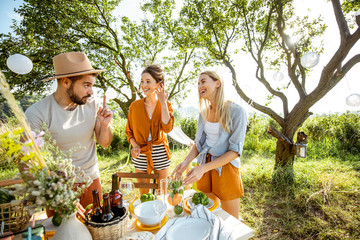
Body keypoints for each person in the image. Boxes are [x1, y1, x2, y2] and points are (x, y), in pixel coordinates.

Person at [25, 52, 113, 214]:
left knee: (98, 231)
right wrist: (60, 194)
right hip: (57, 189)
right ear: (66, 82)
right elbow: (26, 162)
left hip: (92, 181)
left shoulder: (92, 104)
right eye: (86, 85)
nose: (91, 92)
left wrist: (105, 125)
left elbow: (105, 143)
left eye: (92, 85)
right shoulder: (37, 113)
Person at [171, 71, 247, 219]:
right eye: (198, 83)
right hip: (204, 166)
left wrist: (203, 168)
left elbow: (235, 151)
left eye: (203, 81)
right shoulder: (204, 113)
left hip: (225, 168)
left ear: (217, 83)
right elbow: (199, 145)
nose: (200, 86)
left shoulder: (237, 112)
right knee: (209, 216)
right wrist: (185, 163)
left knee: (230, 220)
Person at [125, 64, 174, 195]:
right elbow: (129, 132)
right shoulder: (134, 106)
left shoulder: (166, 104)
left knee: (161, 193)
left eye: (148, 81)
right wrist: (135, 146)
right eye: (142, 81)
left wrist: (163, 103)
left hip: (160, 153)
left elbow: (167, 128)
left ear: (159, 84)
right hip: (140, 152)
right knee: (144, 194)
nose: (143, 85)